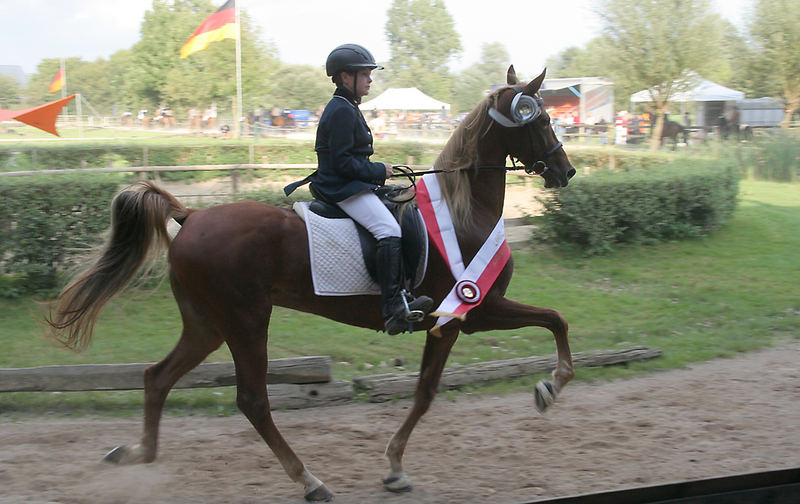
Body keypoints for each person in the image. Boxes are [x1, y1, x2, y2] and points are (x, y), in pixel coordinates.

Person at [284, 43, 433, 335]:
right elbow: (342, 163)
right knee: (388, 230)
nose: (370, 80)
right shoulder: (341, 110)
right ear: (344, 77)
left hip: (351, 183)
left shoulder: (347, 106)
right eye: (364, 74)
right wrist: (379, 170)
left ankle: (402, 293)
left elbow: (351, 158)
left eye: (369, 74)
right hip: (341, 188)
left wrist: (379, 171)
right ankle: (393, 308)